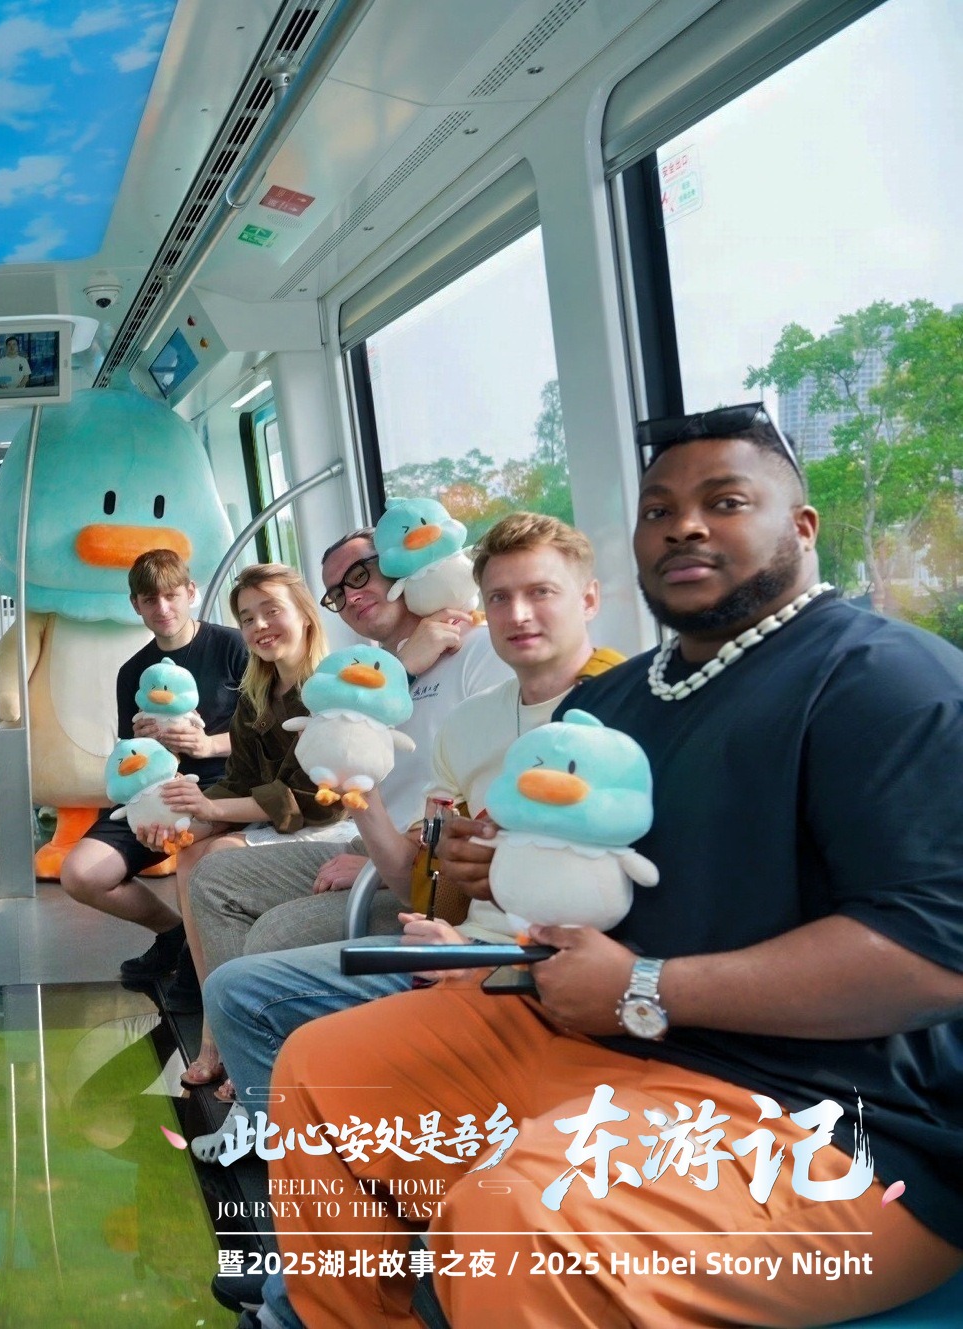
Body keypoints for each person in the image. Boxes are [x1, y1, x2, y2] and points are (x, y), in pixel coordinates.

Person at [262, 408, 963, 1327]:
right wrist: (493, 872)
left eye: (725, 501)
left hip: (823, 1115)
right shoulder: (614, 701)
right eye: (657, 509)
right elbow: (614, 882)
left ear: (801, 526)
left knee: (518, 1222)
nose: (683, 526)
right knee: (324, 1073)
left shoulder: (884, 681)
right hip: (603, 1046)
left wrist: (644, 985)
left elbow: (932, 959)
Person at [197, 515, 620, 1317]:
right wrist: (361, 805)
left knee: (285, 1006)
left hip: (545, 964)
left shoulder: (624, 711)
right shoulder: (471, 726)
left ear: (588, 599)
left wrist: (466, 930)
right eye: (502, 596)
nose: (519, 614)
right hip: (463, 945)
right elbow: (427, 886)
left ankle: (305, 1285)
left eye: (540, 593)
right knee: (238, 989)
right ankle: (319, 1244)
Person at [177, 525, 515, 1044]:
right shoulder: (365, 673)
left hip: (427, 861)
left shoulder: (472, 650)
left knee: (273, 935)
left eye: (361, 575)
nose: (351, 595)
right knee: (212, 876)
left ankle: (276, 1060)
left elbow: (478, 798)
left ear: (402, 570)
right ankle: (225, 1040)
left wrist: (390, 860)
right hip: (376, 843)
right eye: (337, 592)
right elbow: (319, 759)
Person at [141, 564, 342, 1084]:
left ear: (305, 615)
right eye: (248, 618)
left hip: (331, 827)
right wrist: (185, 821)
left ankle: (229, 1034)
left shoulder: (330, 691)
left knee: (217, 859)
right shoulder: (257, 695)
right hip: (280, 823)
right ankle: (219, 1027)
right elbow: (239, 781)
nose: (259, 626)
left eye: (271, 610)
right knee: (190, 854)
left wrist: (210, 814)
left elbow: (313, 803)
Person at [60, 548, 248, 983]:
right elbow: (130, 760)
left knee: (185, 850)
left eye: (171, 596)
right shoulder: (134, 672)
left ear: (190, 592)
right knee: (80, 874)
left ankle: (199, 970)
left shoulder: (233, 647)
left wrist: (208, 744)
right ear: (136, 606)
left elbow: (269, 734)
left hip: (225, 787)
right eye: (150, 600)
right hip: (156, 791)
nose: (162, 608)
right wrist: (147, 747)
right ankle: (174, 935)